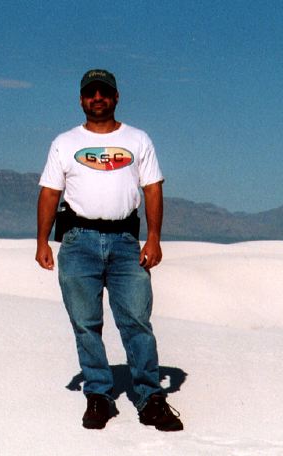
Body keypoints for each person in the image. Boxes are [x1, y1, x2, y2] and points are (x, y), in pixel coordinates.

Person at [35, 69, 183, 432]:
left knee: (136, 320)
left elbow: (152, 188)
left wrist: (154, 238)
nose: (97, 98)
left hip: (125, 242)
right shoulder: (64, 142)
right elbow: (50, 192)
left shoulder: (138, 139)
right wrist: (42, 241)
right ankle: (99, 395)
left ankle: (150, 397)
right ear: (81, 99)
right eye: (91, 93)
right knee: (85, 323)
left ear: (116, 97)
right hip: (78, 242)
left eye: (104, 92)